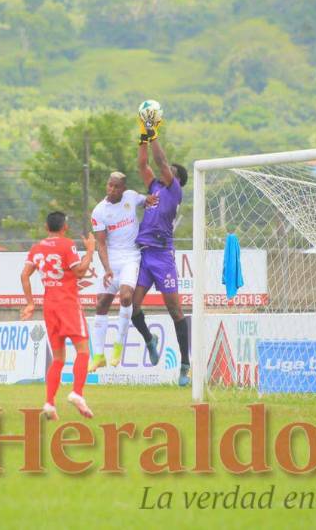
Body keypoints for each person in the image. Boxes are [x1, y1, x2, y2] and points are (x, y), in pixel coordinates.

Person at [131, 112, 191, 386]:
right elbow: (144, 163)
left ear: (176, 179)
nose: (167, 171)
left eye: (171, 172)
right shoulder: (154, 186)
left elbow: (160, 160)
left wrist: (153, 132)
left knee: (174, 310)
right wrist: (144, 135)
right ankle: (149, 339)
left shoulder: (174, 191)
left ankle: (185, 364)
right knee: (131, 306)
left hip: (163, 255)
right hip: (145, 254)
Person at [20, 212, 96, 420]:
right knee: (83, 351)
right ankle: (77, 393)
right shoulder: (67, 244)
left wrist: (29, 303)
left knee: (58, 358)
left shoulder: (37, 248)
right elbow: (79, 271)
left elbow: (24, 275)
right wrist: (90, 251)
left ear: (46, 227)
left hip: (49, 307)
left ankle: (49, 403)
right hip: (68, 305)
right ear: (65, 227)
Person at [88, 172, 154, 371]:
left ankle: (118, 347)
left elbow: (148, 200)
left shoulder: (131, 197)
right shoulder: (99, 211)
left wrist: (155, 198)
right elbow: (100, 243)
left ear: (123, 188)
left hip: (131, 258)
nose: (112, 190)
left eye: (116, 187)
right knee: (101, 304)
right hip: (111, 260)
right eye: (110, 185)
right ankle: (99, 355)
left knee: (126, 297)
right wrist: (107, 269)